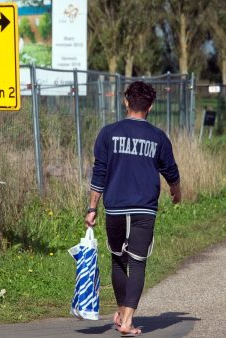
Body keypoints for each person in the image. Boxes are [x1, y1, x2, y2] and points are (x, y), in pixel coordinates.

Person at [85, 81, 181, 337]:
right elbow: (170, 170)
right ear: (150, 106)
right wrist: (176, 191)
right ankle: (127, 319)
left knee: (118, 259)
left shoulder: (108, 133)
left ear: (126, 102)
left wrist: (91, 207)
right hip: (144, 211)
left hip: (115, 208)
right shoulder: (158, 137)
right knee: (137, 263)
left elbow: (100, 173)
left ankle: (121, 311)